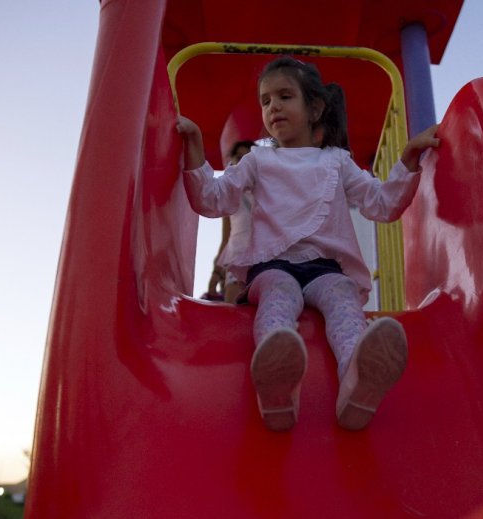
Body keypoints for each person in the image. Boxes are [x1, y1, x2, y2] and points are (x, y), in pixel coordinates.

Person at [176, 56, 439, 431]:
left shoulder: (337, 161)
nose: (273, 107)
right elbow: (213, 200)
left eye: (285, 96)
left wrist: (409, 161)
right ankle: (278, 384)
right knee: (279, 295)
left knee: (343, 300)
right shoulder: (257, 160)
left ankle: (358, 381)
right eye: (266, 101)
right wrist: (196, 151)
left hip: (325, 269)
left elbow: (382, 204)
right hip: (272, 266)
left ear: (314, 108)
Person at [203, 140, 257, 303]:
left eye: (248, 157)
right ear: (231, 162)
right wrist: (217, 272)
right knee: (233, 310)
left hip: (265, 259)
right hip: (236, 260)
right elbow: (226, 240)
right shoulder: (230, 199)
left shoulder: (269, 193)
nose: (242, 162)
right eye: (238, 157)